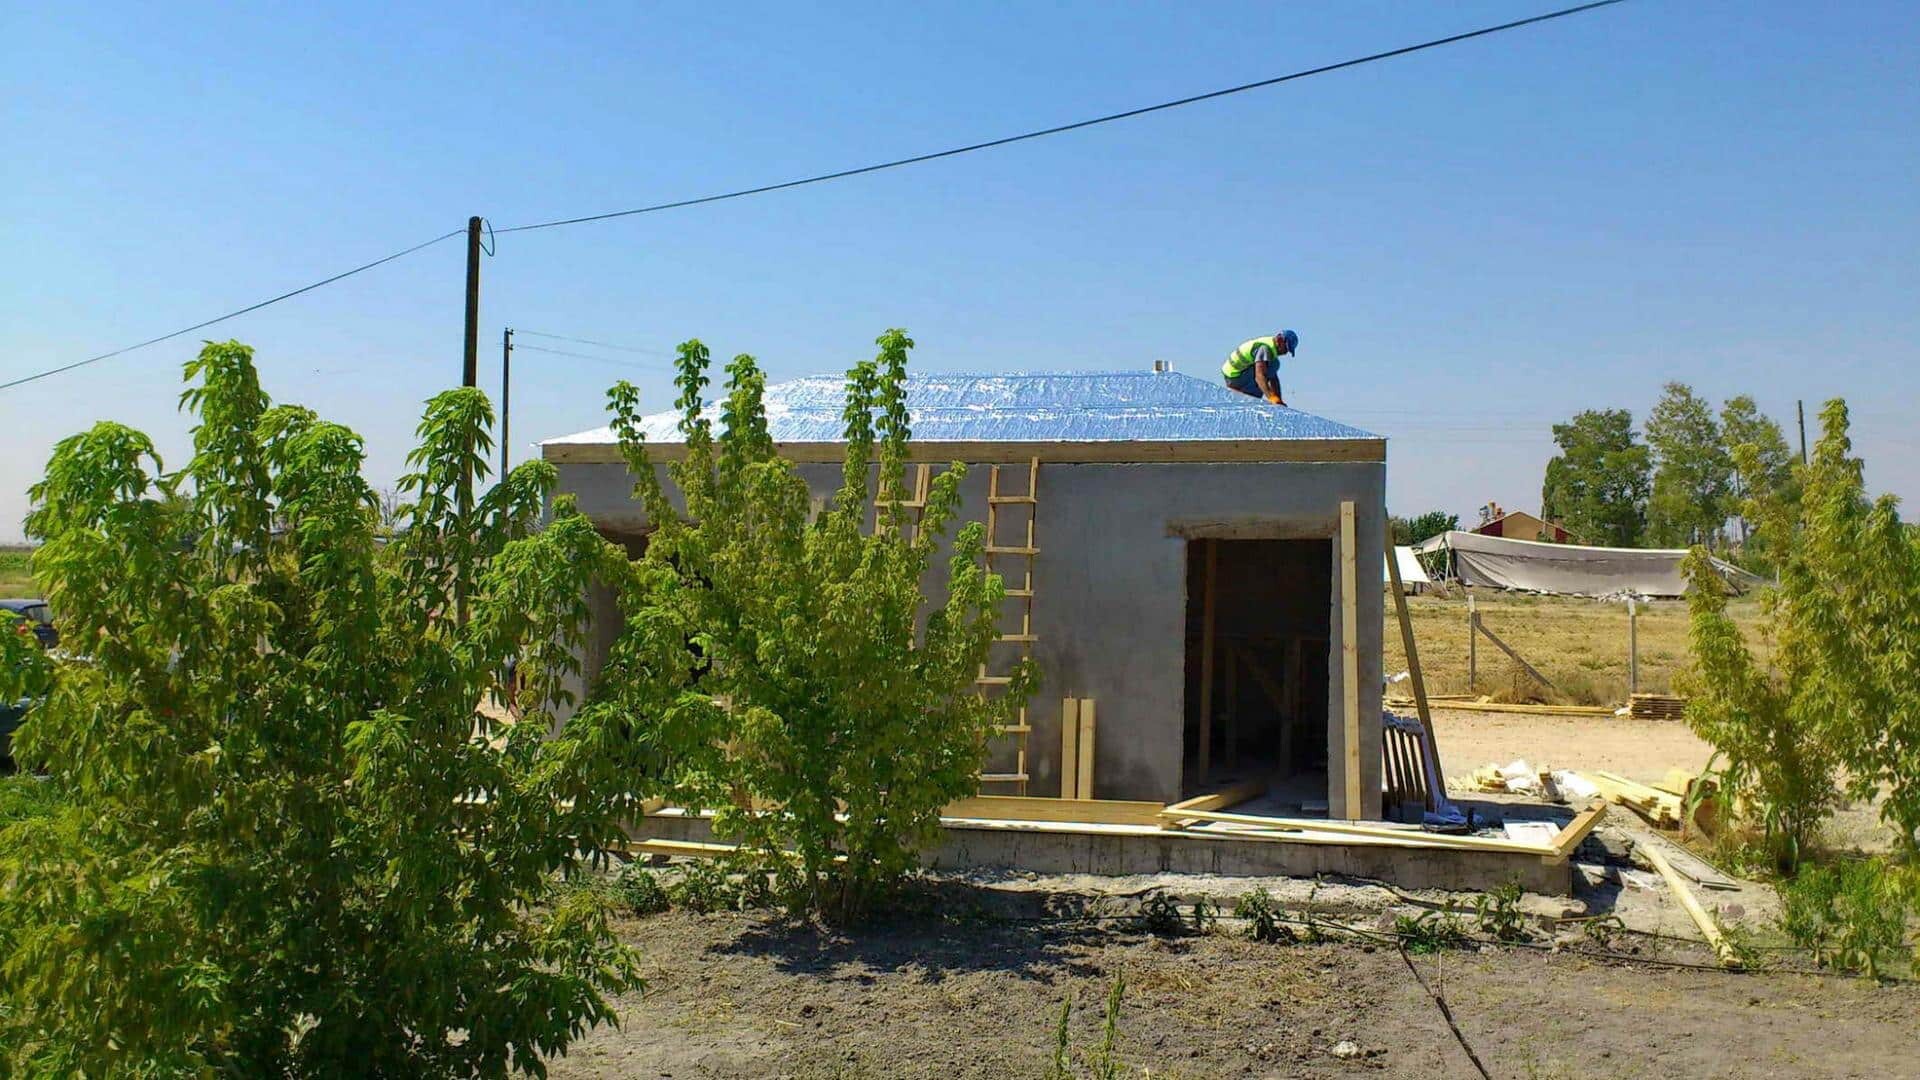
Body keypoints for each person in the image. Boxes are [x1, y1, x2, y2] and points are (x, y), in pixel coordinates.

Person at [1222, 330, 1298, 404]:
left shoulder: (1270, 348)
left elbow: (1274, 378)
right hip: (1233, 377)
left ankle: (1252, 397)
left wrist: (1278, 399)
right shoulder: (1264, 349)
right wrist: (1272, 398)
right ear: (1280, 340)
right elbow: (1259, 377)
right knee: (1271, 367)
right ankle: (1251, 399)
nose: (1285, 353)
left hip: (1239, 372)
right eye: (1286, 348)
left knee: (1274, 364)